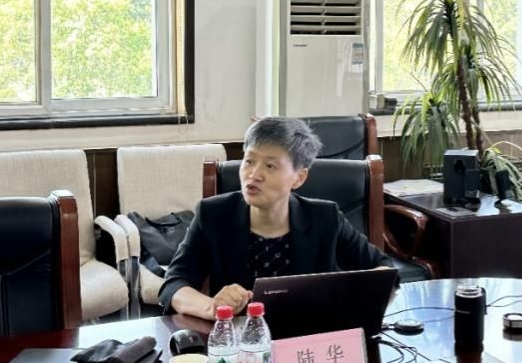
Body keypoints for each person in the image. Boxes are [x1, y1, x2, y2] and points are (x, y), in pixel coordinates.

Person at [159, 117, 394, 319]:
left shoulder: (325, 218)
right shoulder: (214, 214)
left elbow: (384, 271)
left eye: (270, 166)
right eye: (249, 161)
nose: (254, 174)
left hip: (308, 339)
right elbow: (174, 284)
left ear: (299, 178)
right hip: (240, 341)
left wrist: (341, 295)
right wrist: (212, 308)